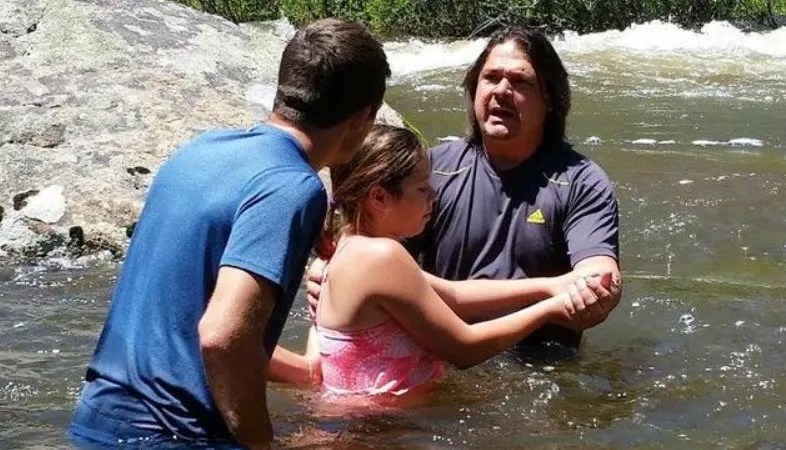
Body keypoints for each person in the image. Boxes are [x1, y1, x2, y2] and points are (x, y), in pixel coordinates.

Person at [68, 19, 390, 449]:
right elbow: (223, 337)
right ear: (364, 118)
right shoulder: (292, 188)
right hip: (173, 436)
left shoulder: (202, 150)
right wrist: (260, 444)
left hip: (98, 419)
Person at [308, 26, 621, 350]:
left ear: (550, 101)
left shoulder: (581, 182)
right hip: (444, 358)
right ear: (473, 90)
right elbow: (363, 243)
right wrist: (329, 269)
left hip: (542, 363)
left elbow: (599, 276)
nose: (501, 91)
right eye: (491, 78)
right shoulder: (429, 172)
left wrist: (596, 289)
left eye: (520, 82)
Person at [308, 124, 616, 398]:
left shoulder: (348, 249)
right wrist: (549, 309)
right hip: (381, 430)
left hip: (364, 423)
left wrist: (552, 286)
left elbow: (453, 294)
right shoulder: (383, 257)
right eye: (422, 188)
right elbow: (464, 348)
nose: (434, 196)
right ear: (379, 197)